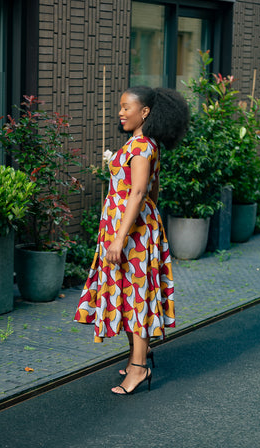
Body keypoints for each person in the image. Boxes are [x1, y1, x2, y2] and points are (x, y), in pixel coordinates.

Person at [74, 86, 189, 395]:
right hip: (133, 228)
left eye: (127, 107)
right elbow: (153, 191)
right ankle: (139, 354)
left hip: (131, 235)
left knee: (136, 295)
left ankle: (139, 368)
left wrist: (119, 237)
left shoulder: (140, 148)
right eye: (120, 107)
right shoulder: (144, 144)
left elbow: (138, 193)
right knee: (130, 293)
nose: (121, 112)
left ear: (145, 112)